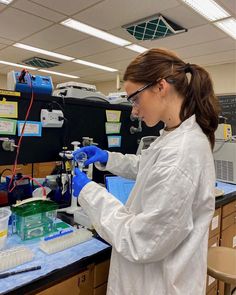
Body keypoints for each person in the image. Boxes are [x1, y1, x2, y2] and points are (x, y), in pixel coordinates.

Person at [72, 48, 220, 295]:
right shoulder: (175, 133)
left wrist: (89, 193)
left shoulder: (181, 153)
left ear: (160, 87)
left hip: (159, 285)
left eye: (135, 98)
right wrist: (108, 158)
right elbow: (149, 167)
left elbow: (139, 241)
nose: (134, 111)